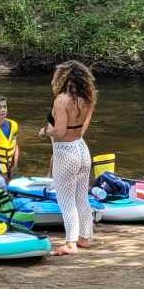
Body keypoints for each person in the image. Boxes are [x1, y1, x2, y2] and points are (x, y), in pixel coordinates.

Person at [37, 61, 97, 256]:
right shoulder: (88, 99)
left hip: (66, 152)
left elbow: (60, 131)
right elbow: (83, 128)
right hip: (81, 148)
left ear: (62, 78)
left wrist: (45, 131)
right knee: (82, 198)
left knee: (66, 201)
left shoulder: (61, 100)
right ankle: (85, 238)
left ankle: (70, 243)